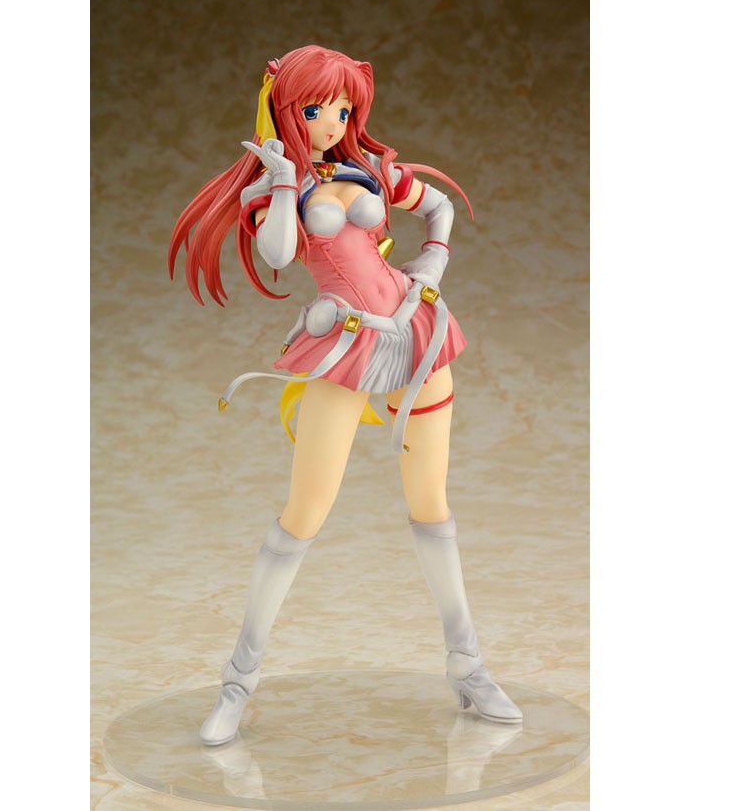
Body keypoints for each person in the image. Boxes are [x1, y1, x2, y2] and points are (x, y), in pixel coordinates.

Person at [169, 45, 522, 746]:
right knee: (304, 513)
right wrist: (279, 182)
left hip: (416, 334)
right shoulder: (278, 184)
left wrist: (433, 262)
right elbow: (277, 253)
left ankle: (468, 666)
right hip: (345, 347)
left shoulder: (368, 170)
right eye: (314, 109)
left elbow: (438, 207)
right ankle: (237, 682)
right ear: (283, 109)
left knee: (431, 504)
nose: (331, 123)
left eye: (341, 108)